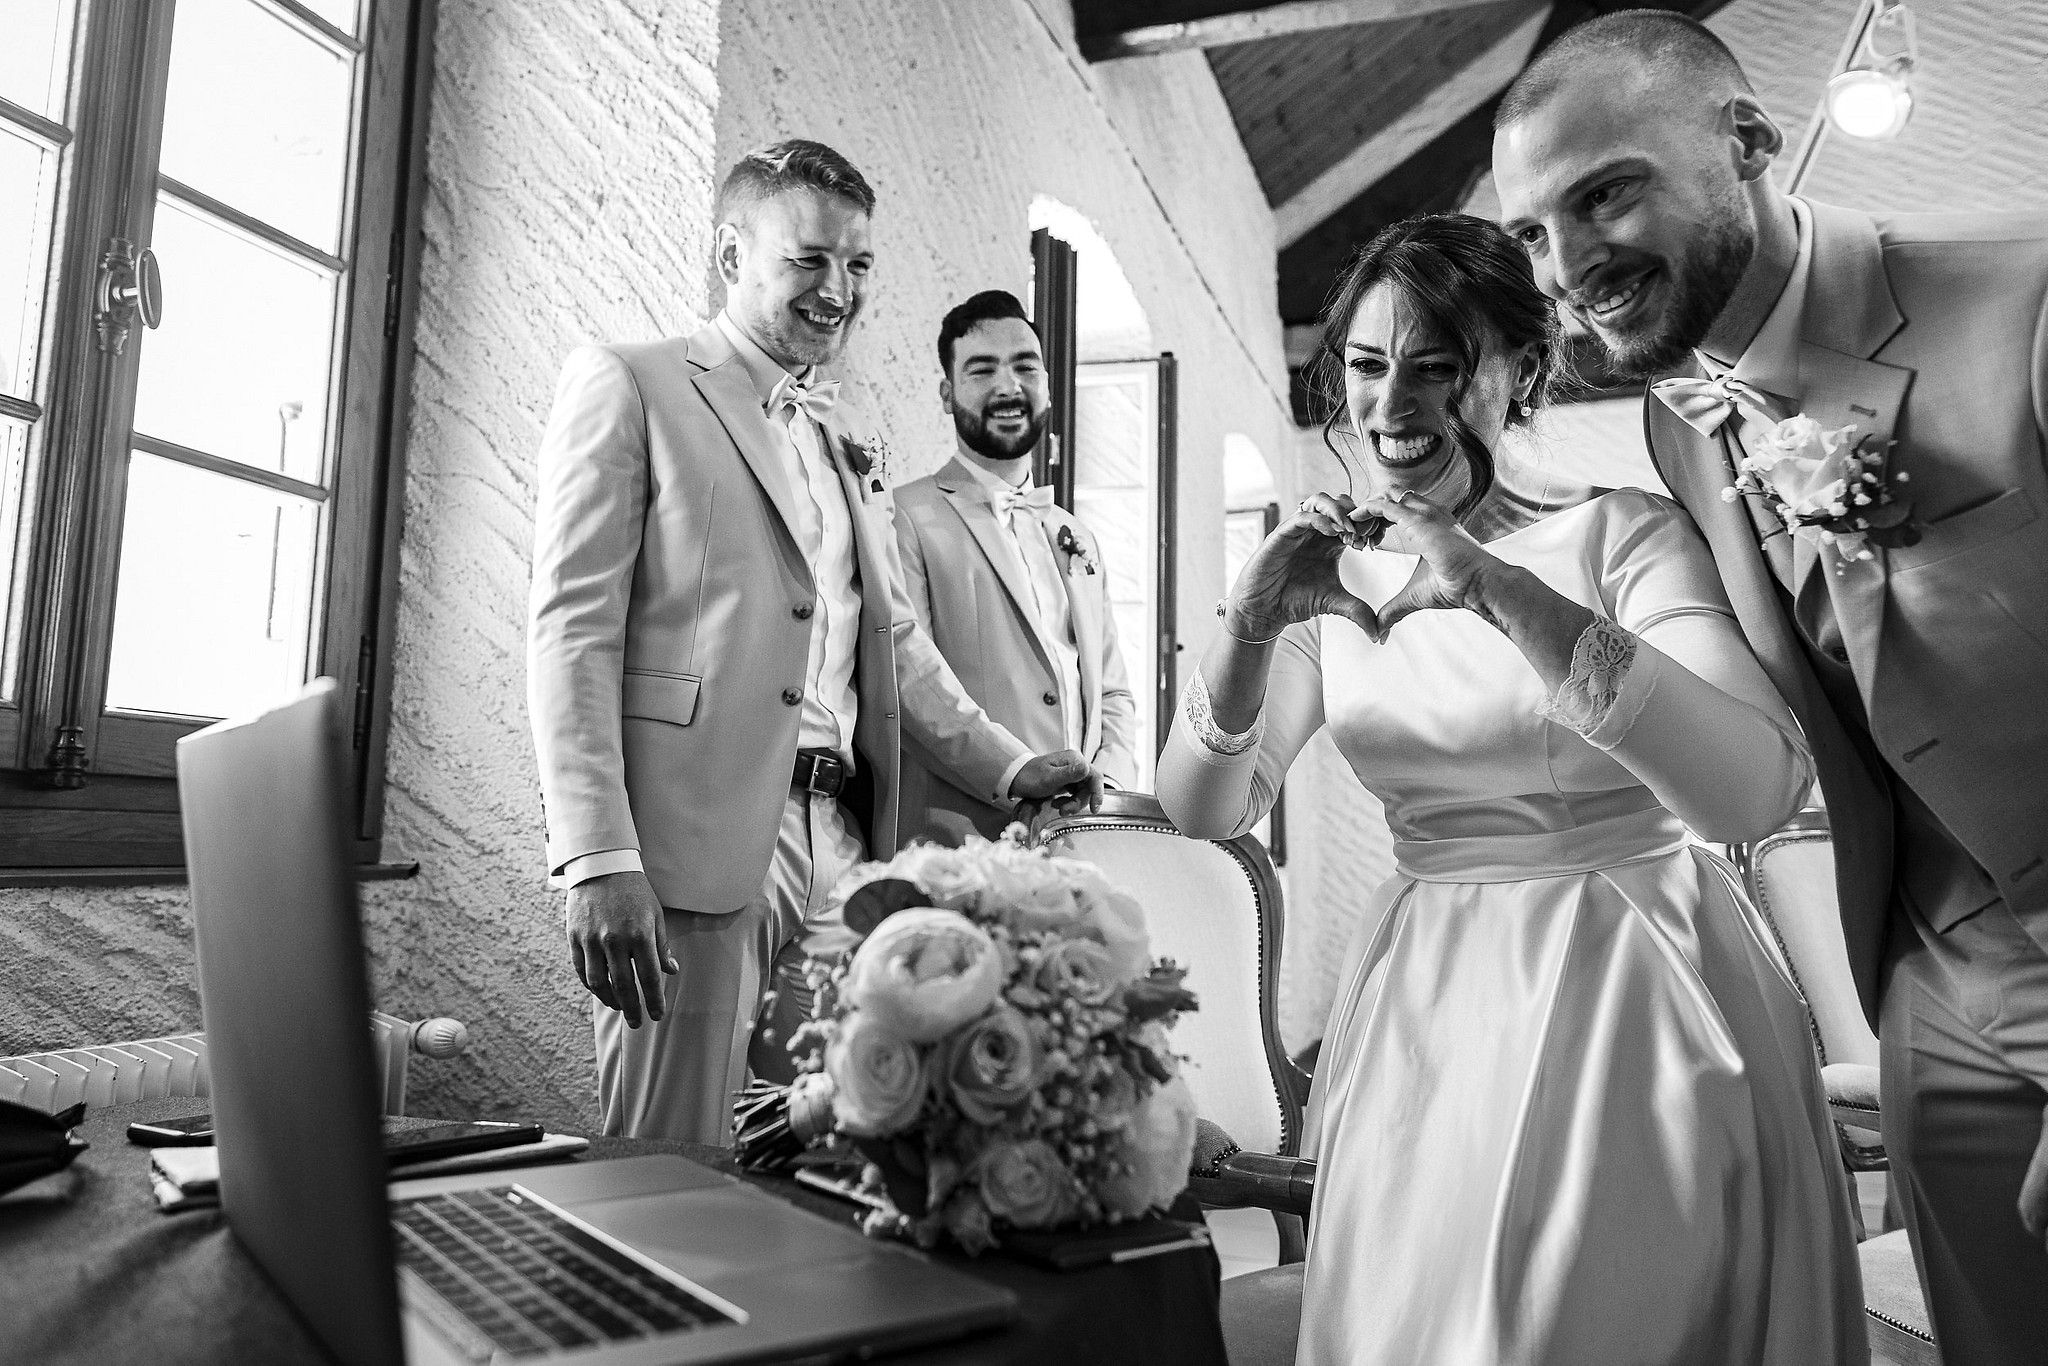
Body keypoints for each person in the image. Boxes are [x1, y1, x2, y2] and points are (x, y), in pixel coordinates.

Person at [1156, 213, 1864, 1364]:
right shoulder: (1329, 573)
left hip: (1631, 988)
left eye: (1435, 368)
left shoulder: (1621, 535)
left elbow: (1751, 789)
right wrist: (1244, 628)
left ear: (1521, 370)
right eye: (1367, 366)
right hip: (1424, 1002)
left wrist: (1496, 589)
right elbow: (1202, 814)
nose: (1391, 408)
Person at [1492, 14, 2048, 1360]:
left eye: (1605, 191)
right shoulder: (1677, 426)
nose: (1567, 268)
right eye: (1531, 234)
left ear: (1747, 142)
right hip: (1931, 986)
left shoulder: (2030, 296)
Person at [527, 140, 1100, 1145]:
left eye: (859, 264)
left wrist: (1013, 766)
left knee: (826, 1151)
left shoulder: (848, 434)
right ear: (729, 256)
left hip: (844, 853)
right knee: (674, 1168)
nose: (838, 288)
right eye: (809, 260)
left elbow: (897, 646)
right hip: (686, 848)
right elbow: (570, 633)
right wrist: (595, 858)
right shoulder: (631, 383)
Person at [892, 290, 1138, 844]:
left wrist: (1106, 795)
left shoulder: (1077, 534)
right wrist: (1015, 770)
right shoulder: (903, 516)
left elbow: (1114, 694)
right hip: (959, 840)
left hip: (1082, 838)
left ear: (1047, 385)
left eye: (1025, 366)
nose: (1008, 387)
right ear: (946, 392)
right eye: (981, 370)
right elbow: (906, 671)